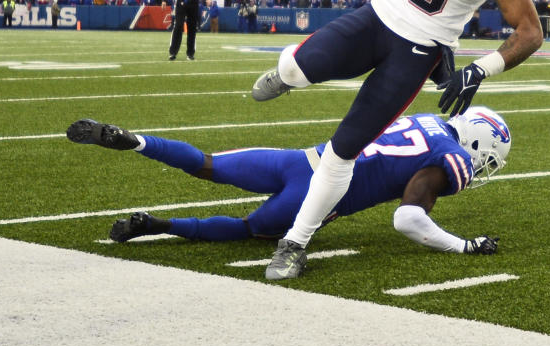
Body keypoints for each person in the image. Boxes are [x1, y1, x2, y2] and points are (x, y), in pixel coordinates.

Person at [250, 0, 543, 279]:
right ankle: (287, 75)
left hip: (419, 50)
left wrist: (480, 70)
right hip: (378, 16)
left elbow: (529, 30)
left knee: (343, 149)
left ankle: (294, 243)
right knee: (295, 65)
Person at [65, 107, 509, 255]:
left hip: (298, 161)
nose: (482, 167)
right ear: (473, 144)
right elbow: (408, 220)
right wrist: (463, 245)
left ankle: (137, 140)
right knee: (247, 230)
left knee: (207, 163)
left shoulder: (428, 119)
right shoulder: (449, 158)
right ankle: (158, 225)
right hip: (314, 197)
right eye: (486, 158)